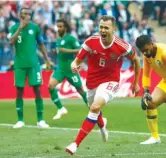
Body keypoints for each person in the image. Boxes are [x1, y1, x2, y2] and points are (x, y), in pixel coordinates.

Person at [66, 15, 140, 155]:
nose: (103, 30)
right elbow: (76, 61)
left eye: (106, 27)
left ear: (114, 29)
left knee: (94, 107)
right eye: (101, 27)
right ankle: (102, 126)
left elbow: (136, 60)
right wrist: (74, 66)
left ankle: (75, 144)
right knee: (94, 108)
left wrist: (135, 83)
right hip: (92, 82)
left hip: (111, 81)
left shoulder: (122, 46)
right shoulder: (91, 41)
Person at [8, 7, 51, 128]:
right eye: (25, 14)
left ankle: (40, 120)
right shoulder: (13, 28)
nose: (27, 16)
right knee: (19, 91)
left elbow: (41, 44)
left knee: (37, 90)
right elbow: (11, 41)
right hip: (20, 64)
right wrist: (20, 28)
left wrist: (47, 59)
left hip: (34, 64)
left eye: (29, 14)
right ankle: (20, 120)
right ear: (20, 15)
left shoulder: (35, 28)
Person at [48, 18, 88, 120]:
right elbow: (60, 51)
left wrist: (65, 50)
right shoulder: (58, 39)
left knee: (80, 90)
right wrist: (55, 51)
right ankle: (61, 108)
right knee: (50, 86)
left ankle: (93, 110)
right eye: (57, 26)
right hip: (61, 69)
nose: (58, 28)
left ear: (65, 28)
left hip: (71, 69)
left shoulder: (71, 38)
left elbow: (80, 50)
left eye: (60, 26)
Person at [136, 35, 166, 144]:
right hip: (165, 82)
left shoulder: (163, 52)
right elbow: (146, 75)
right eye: (142, 51)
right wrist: (146, 92)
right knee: (149, 102)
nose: (145, 53)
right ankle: (155, 137)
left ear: (151, 44)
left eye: (146, 50)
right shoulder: (146, 56)